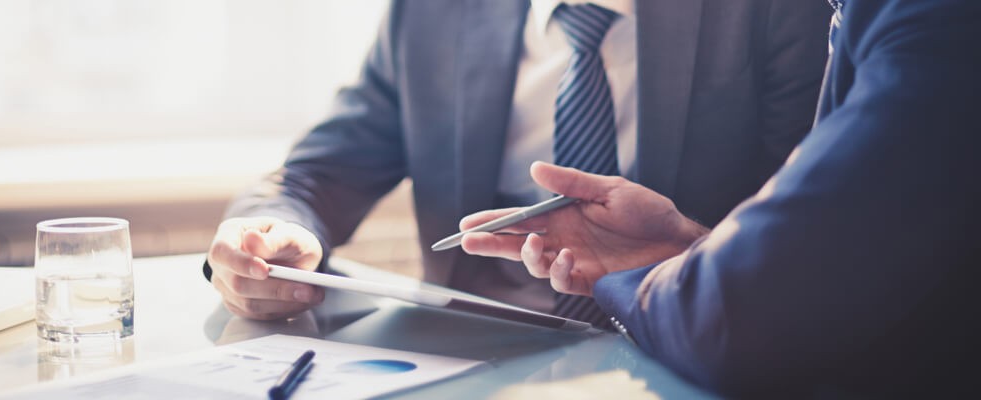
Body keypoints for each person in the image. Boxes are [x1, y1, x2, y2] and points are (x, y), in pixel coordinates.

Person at [458, 0, 981, 396]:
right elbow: (829, 245)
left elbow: (745, 308)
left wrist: (633, 279)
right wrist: (691, 250)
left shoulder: (933, 24)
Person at [203, 0, 830, 325]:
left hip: (677, 347)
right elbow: (316, 175)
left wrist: (688, 252)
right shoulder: (432, 14)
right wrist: (267, 236)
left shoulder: (776, 11)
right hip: (477, 363)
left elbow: (814, 239)